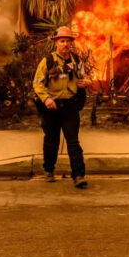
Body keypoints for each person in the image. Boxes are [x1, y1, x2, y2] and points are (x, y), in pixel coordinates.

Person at [33, 26, 91, 188]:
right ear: (56, 43)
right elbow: (37, 83)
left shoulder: (76, 61)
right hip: (51, 107)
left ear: (71, 43)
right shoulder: (47, 61)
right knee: (51, 141)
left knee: (73, 142)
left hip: (70, 106)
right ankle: (49, 170)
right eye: (62, 41)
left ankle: (78, 175)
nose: (65, 44)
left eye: (68, 41)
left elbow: (85, 76)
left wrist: (87, 82)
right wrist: (46, 99)